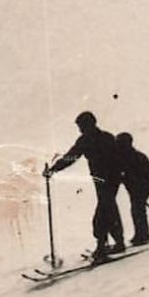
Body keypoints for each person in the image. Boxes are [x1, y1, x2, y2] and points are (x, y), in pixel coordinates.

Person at [46, 111, 125, 260]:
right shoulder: (106, 137)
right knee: (109, 208)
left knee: (103, 212)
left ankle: (102, 245)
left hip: (105, 179)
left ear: (88, 124)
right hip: (110, 179)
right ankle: (117, 242)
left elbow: (71, 156)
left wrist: (54, 169)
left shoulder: (87, 140)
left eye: (81, 126)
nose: (80, 129)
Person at [115, 132, 149, 247]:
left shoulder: (136, 156)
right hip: (135, 187)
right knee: (138, 209)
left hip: (143, 186)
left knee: (137, 209)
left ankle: (142, 235)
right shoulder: (123, 157)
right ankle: (141, 234)